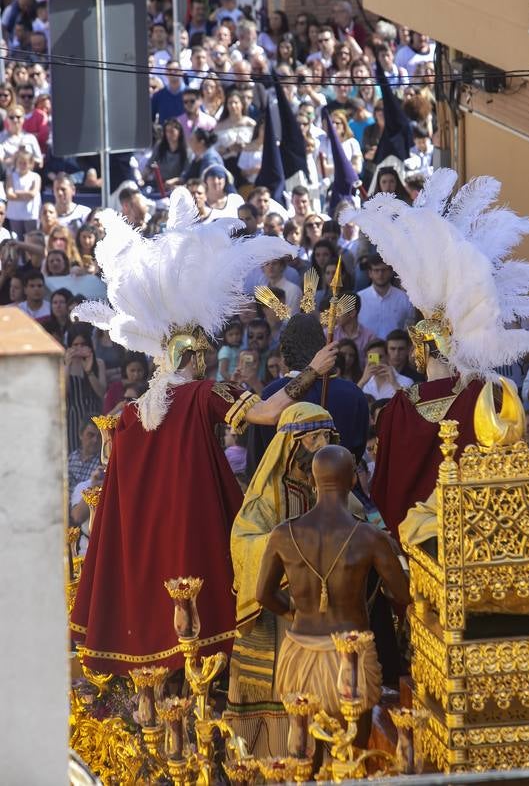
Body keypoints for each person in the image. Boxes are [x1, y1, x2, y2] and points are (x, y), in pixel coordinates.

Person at [71, 188, 338, 674]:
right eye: (202, 355)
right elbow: (267, 413)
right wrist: (313, 372)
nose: (207, 360)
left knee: (157, 647)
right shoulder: (204, 393)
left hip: (146, 549)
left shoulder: (130, 412)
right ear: (191, 355)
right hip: (194, 531)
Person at [342, 167, 529, 540]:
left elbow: (385, 492)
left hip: (419, 549)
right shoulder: (486, 394)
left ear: (420, 351)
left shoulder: (399, 410)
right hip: (479, 543)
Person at [257, 444, 409, 746]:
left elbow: (263, 594)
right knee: (352, 753)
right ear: (353, 480)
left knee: (305, 756)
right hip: (349, 658)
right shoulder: (369, 536)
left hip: (299, 651)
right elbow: (404, 595)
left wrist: (293, 612)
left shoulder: (283, 534)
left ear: (312, 480)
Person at [225, 403, 337, 757]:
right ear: (292, 445)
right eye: (313, 437)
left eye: (326, 436)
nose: (322, 445)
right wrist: (288, 544)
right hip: (274, 617)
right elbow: (243, 542)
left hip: (320, 615)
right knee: (270, 697)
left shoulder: (330, 487)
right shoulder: (265, 495)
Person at [246, 312, 369, 475]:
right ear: (322, 348)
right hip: (341, 489)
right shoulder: (353, 393)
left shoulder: (271, 394)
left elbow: (258, 457)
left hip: (285, 493)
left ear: (284, 350)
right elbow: (357, 450)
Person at [65, 324, 107, 453]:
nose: (79, 348)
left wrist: (89, 371)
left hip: (93, 414)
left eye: (82, 344)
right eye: (75, 345)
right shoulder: (63, 364)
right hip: (73, 418)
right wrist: (67, 366)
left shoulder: (98, 363)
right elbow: (62, 393)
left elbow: (101, 392)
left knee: (97, 451)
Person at [357, 255, 414, 339]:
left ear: (391, 272)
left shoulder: (405, 298)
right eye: (376, 270)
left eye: (384, 270)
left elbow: (410, 328)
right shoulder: (359, 298)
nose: (380, 274)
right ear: (370, 273)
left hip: (396, 349)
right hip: (367, 349)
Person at [68, 418, 102, 503]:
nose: (95, 440)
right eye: (90, 435)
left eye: (99, 436)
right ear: (80, 435)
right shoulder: (71, 459)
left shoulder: (102, 464)